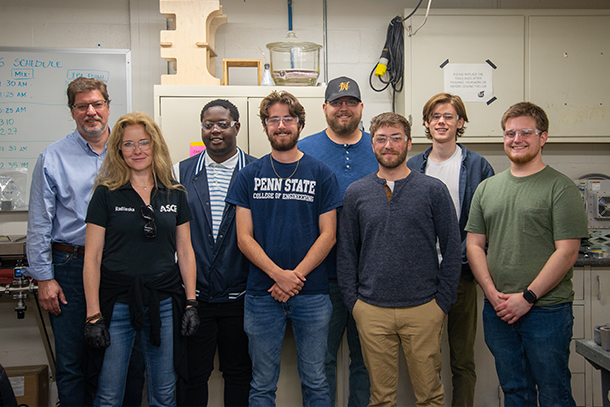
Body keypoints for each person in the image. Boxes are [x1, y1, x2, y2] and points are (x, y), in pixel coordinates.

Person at [25, 77, 143, 407]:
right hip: (71, 267)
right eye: (82, 106)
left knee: (131, 359)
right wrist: (45, 278)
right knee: (72, 362)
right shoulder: (52, 158)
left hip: (120, 265)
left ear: (107, 107)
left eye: (97, 104)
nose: (91, 112)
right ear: (72, 111)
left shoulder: (130, 152)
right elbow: (39, 223)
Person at [465, 102, 588, 407]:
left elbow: (567, 252)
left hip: (546, 311)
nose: (516, 138)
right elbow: (474, 245)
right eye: (509, 133)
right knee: (514, 391)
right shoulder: (487, 189)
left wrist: (528, 297)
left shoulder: (560, 188)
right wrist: (492, 294)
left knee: (553, 392)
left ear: (542, 137)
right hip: (499, 310)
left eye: (525, 132)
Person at [226, 90, 342, 406]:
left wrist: (294, 278)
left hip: (313, 294)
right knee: (262, 384)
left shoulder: (322, 174)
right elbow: (244, 238)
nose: (281, 125)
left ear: (299, 124)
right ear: (265, 126)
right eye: (273, 119)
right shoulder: (248, 175)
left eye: (287, 119)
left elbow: (328, 235)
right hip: (261, 295)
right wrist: (279, 276)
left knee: (316, 381)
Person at [337, 112, 462, 407]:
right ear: (372, 144)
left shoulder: (432, 190)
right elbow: (346, 253)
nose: (388, 144)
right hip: (371, 310)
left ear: (408, 143)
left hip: (423, 308)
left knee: (430, 395)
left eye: (396, 138)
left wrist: (442, 303)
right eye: (381, 138)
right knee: (380, 398)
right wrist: (354, 304)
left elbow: (452, 248)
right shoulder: (356, 193)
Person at [82, 112, 200, 406]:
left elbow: (185, 251)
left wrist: (191, 302)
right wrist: (93, 315)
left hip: (162, 302)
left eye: (144, 143)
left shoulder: (175, 193)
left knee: (164, 394)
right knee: (109, 394)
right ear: (118, 150)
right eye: (129, 144)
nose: (137, 151)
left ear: (155, 146)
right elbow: (93, 257)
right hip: (117, 303)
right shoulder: (106, 195)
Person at [407, 93, 494, 407]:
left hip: (461, 273)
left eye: (448, 116)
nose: (441, 122)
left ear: (460, 122)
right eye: (435, 116)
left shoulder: (477, 165)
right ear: (427, 124)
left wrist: (457, 260)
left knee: (462, 357)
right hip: (422, 277)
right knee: (425, 356)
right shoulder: (414, 165)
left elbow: (486, 221)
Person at [298, 76, 375, 407]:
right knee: (321, 362)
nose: (344, 109)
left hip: (371, 278)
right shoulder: (305, 150)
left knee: (367, 363)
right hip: (321, 278)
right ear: (325, 108)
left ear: (361, 108)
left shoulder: (380, 145)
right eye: (337, 103)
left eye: (350, 102)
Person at [176, 99, 255, 407]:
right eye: (209, 125)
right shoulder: (180, 173)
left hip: (243, 296)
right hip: (196, 299)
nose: (215, 131)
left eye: (223, 124)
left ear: (237, 126)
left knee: (239, 374)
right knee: (193, 375)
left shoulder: (256, 170)